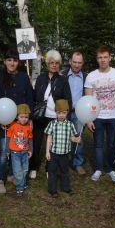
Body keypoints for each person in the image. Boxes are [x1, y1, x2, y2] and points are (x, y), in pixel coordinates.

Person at [0, 49, 34, 194]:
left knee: (17, 148)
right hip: (4, 121)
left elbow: (29, 98)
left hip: (21, 122)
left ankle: (11, 175)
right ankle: (0, 179)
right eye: (9, 60)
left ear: (18, 62)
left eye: (15, 60)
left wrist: (29, 118)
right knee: (4, 151)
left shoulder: (23, 77)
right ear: (5, 61)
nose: (12, 63)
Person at [85, 45, 115, 182]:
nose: (103, 60)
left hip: (114, 116)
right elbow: (88, 99)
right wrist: (89, 119)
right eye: (100, 57)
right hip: (98, 116)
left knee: (112, 143)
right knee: (98, 144)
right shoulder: (91, 76)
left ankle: (110, 168)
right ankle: (97, 169)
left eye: (105, 57)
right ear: (97, 59)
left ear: (110, 58)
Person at [30, 50, 72, 179]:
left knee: (52, 145)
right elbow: (35, 97)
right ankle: (33, 167)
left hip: (54, 118)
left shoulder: (63, 80)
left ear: (59, 65)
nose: (54, 65)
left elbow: (67, 100)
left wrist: (66, 119)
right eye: (51, 63)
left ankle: (50, 168)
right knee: (36, 143)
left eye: (56, 63)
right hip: (40, 117)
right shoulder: (41, 79)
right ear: (47, 63)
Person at [45, 99, 81, 197]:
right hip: (54, 153)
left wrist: (76, 139)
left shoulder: (70, 124)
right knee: (52, 172)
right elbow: (49, 138)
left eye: (64, 113)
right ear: (55, 112)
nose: (61, 115)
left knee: (64, 171)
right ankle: (52, 190)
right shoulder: (52, 124)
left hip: (65, 154)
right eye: (59, 113)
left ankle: (66, 188)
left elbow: (72, 137)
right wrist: (47, 152)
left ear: (67, 113)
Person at [64, 51, 86, 175]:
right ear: (70, 62)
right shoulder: (63, 76)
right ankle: (63, 162)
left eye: (79, 62)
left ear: (82, 63)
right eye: (75, 62)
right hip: (65, 112)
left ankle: (78, 163)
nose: (77, 65)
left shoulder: (86, 77)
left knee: (79, 138)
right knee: (63, 137)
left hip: (80, 113)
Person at [6, 104, 33, 196]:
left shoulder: (28, 126)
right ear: (17, 117)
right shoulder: (13, 125)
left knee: (25, 169)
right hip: (15, 152)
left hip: (25, 152)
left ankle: (23, 183)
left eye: (26, 117)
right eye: (21, 117)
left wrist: (30, 150)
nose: (24, 119)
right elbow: (8, 138)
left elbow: (30, 139)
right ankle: (19, 187)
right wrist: (7, 150)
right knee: (17, 170)